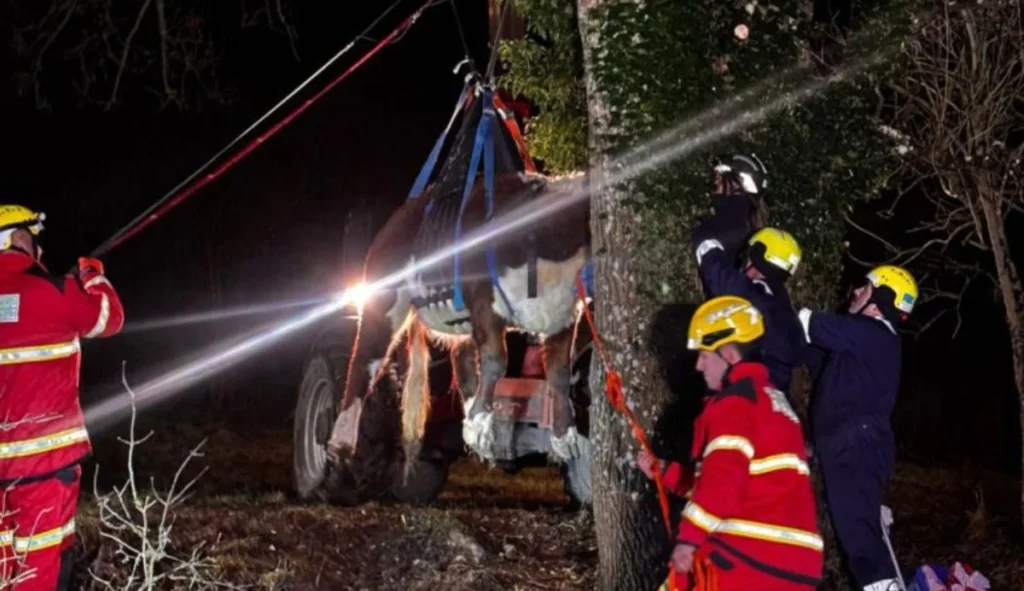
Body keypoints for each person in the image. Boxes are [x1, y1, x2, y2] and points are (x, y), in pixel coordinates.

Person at [640, 295, 823, 591]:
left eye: (704, 355)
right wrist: (667, 472)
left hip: (749, 556)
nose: (699, 366)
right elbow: (738, 487)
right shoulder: (771, 400)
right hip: (792, 564)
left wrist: (688, 541)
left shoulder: (735, 403)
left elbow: (722, 483)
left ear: (729, 353)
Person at [0, 205, 125, 590]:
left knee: (5, 563)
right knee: (42, 566)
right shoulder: (55, 290)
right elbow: (110, 317)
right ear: (19, 238)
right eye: (34, 240)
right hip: (44, 466)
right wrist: (92, 274)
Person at [797, 265, 917, 591]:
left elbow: (812, 325)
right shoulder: (862, 347)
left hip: (857, 446)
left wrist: (777, 307)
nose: (855, 293)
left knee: (860, 542)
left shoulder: (874, 334)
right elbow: (820, 362)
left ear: (880, 300)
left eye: (864, 288)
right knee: (860, 535)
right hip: (852, 445)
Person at [691, 154, 805, 395]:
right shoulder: (779, 299)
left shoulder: (731, 219)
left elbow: (726, 282)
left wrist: (703, 240)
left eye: (720, 178)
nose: (714, 184)